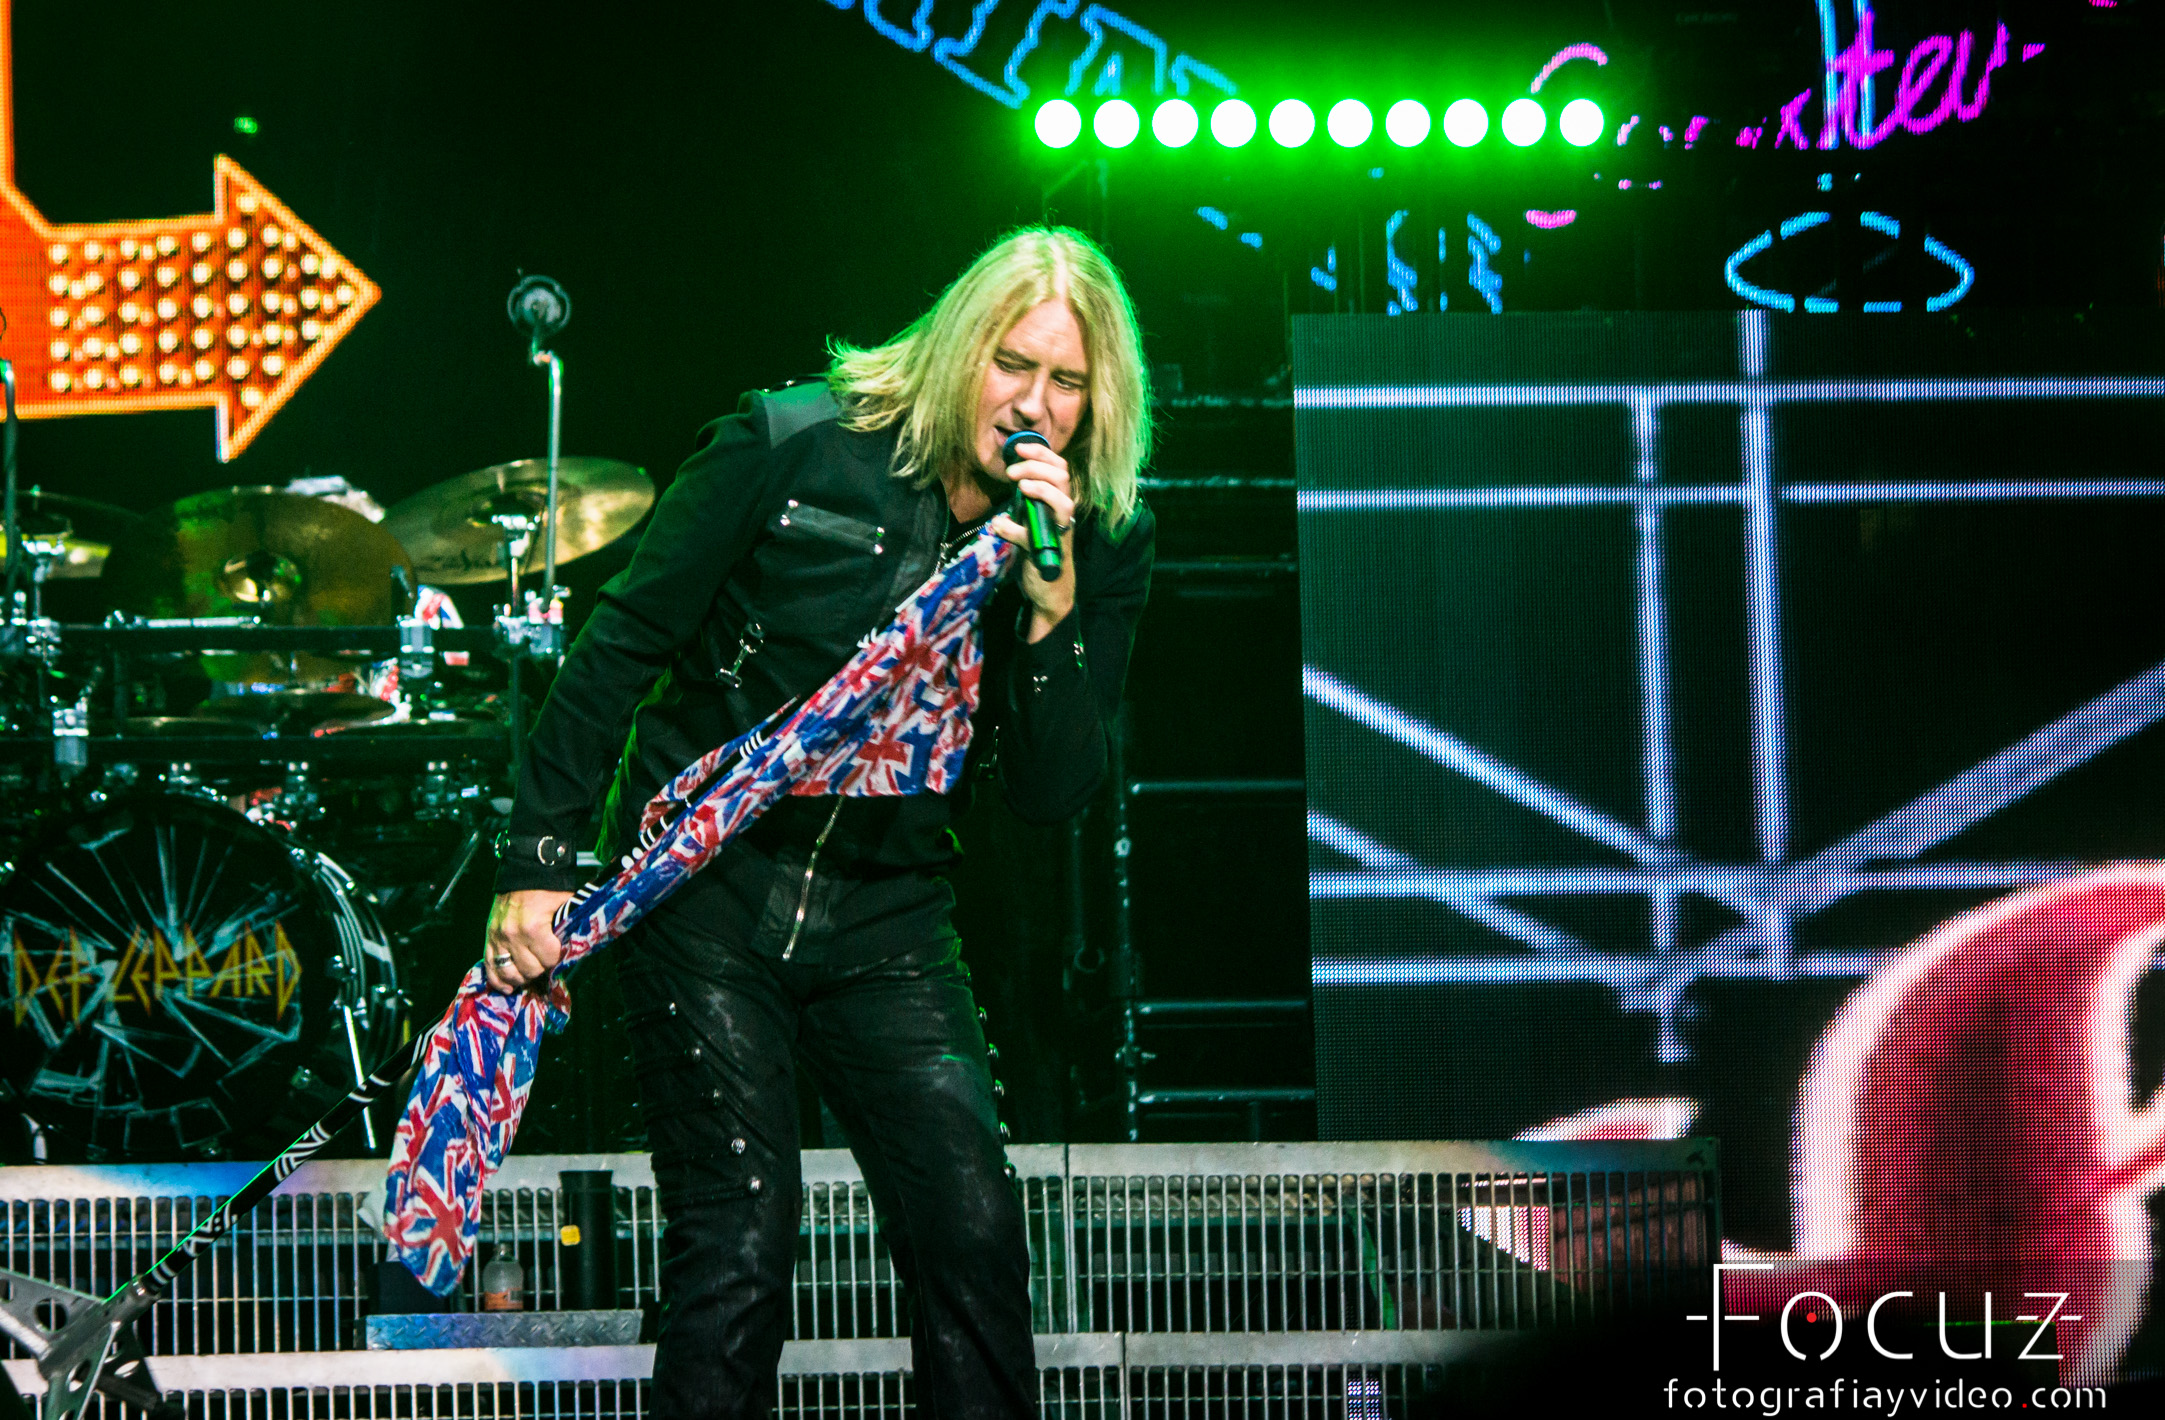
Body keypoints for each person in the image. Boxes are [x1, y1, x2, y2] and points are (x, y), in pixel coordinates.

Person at [484, 226, 1155, 1415]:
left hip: (886, 910)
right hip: (710, 886)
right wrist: (536, 859)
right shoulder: (791, 442)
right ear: (959, 349)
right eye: (1012, 364)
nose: (1032, 405)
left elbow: (1052, 793)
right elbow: (622, 641)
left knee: (971, 1226)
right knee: (741, 1238)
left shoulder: (1096, 531)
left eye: (1066, 383)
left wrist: (1051, 611)